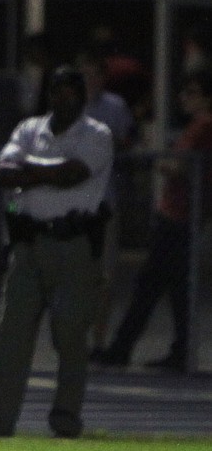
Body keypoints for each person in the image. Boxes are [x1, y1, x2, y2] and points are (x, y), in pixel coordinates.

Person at [0, 66, 113, 437]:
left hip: (73, 244)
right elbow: (4, 171)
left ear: (82, 94)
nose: (63, 97)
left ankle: (66, 418)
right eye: (57, 90)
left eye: (70, 90)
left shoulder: (96, 133)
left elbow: (74, 174)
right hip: (28, 243)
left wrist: (30, 170)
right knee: (12, 335)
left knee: (70, 336)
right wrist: (47, 172)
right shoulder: (29, 129)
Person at [92, 68, 212, 373]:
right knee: (171, 287)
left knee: (151, 284)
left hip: (178, 216)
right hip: (179, 214)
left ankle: (124, 347)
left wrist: (159, 159)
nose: (184, 99)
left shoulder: (203, 126)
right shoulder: (197, 127)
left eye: (192, 93)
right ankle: (175, 348)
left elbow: (180, 166)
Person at [77, 47, 137, 355]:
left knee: (104, 275)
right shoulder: (67, 107)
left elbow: (128, 142)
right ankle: (73, 335)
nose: (90, 81)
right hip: (72, 203)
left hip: (104, 201)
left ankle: (98, 340)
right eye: (84, 75)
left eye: (95, 75)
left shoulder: (114, 107)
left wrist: (113, 142)